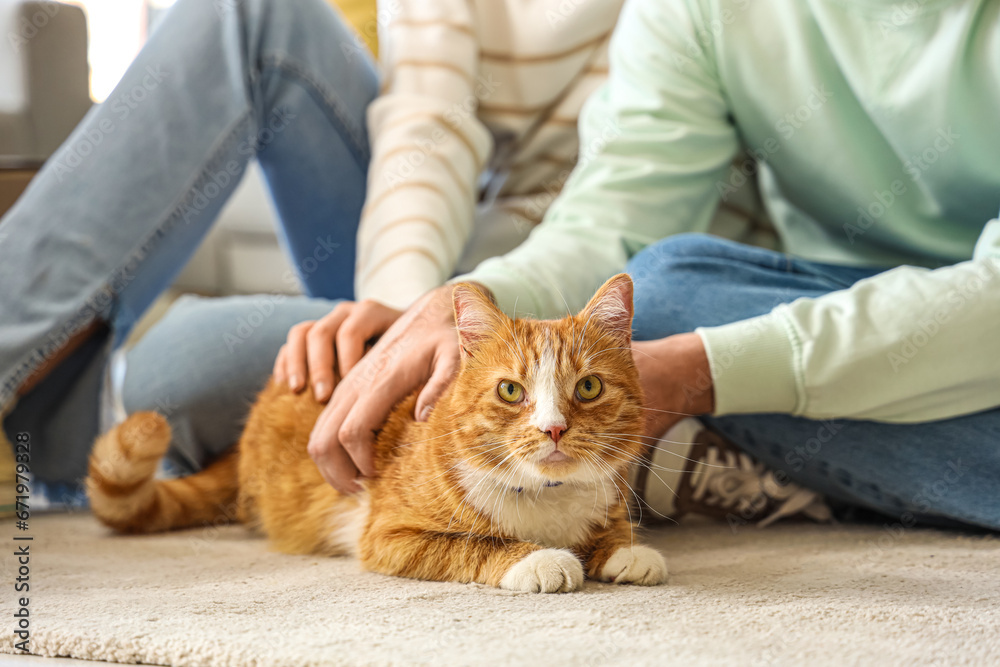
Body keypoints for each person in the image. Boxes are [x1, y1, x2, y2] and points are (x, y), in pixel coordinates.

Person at [297, 0, 1000, 532]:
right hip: (824, 310)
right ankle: (742, 446)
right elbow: (615, 216)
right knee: (668, 285)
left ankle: (734, 444)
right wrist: (469, 301)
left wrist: (696, 372)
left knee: (666, 305)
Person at [1, 0, 660, 500]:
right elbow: (430, 124)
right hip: (439, 257)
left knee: (171, 371)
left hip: (589, 298)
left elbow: (633, 205)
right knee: (248, 9)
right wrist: (402, 311)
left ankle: (40, 442)